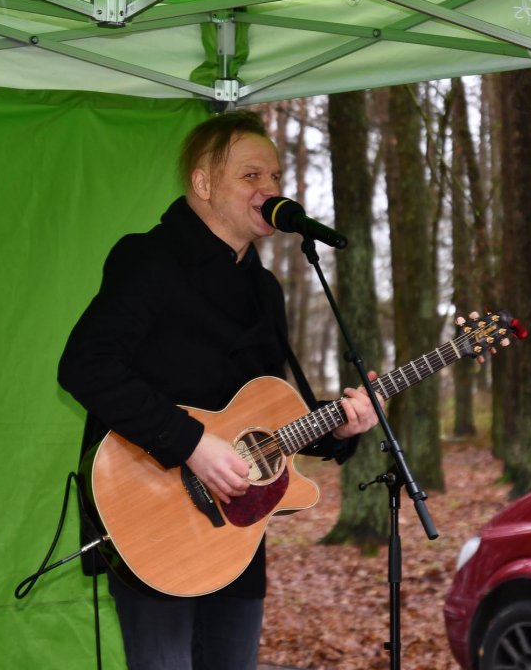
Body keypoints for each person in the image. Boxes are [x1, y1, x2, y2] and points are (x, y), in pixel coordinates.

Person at [58, 110, 380, 670]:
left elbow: (268, 419)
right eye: (251, 176)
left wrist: (340, 429)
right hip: (152, 514)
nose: (271, 189)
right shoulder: (147, 259)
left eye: (276, 177)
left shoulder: (264, 290)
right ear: (203, 184)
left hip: (237, 527)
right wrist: (191, 445)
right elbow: (85, 366)